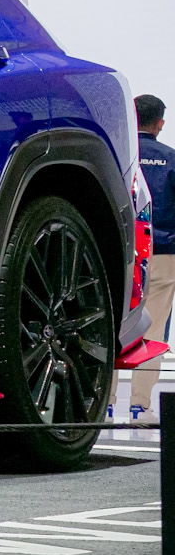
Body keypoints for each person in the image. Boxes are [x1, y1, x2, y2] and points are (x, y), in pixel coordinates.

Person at [129, 94, 175, 422]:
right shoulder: (171, 159)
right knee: (154, 328)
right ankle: (138, 405)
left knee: (109, 325)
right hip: (162, 253)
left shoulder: (119, 156)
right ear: (159, 124)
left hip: (120, 252)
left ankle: (100, 404)